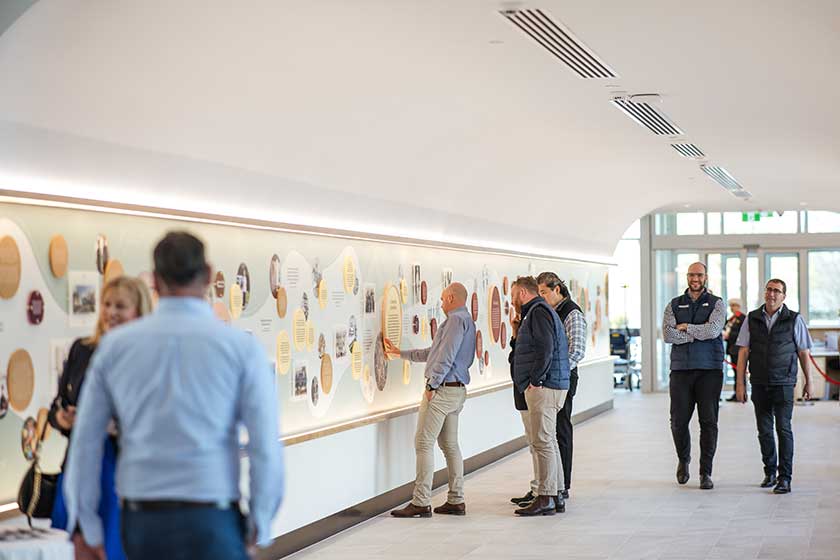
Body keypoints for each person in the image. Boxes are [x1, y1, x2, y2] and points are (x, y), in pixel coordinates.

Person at [63, 231, 284, 559]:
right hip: (213, 517)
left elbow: (86, 441)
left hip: (142, 521)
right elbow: (264, 445)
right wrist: (259, 522)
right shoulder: (241, 349)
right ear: (207, 275)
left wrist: (86, 524)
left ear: (155, 280)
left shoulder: (115, 347)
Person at [49, 276, 152, 560]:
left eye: (120, 306)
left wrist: (114, 427)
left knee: (114, 549)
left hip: (121, 472)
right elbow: (56, 407)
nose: (111, 312)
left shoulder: (147, 357)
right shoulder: (82, 349)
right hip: (78, 468)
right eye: (107, 304)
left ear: (139, 311)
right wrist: (63, 419)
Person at [386, 282, 476, 517]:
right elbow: (434, 352)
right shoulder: (465, 320)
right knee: (450, 445)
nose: (441, 303)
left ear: (452, 298)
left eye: (444, 298)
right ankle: (456, 499)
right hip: (456, 391)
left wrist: (432, 384)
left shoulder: (455, 320)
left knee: (423, 443)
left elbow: (445, 356)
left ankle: (421, 501)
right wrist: (400, 353)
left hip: (442, 390)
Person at [734, 278, 813, 494]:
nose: (771, 294)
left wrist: (809, 381)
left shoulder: (794, 319)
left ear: (783, 296)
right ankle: (769, 472)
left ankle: (784, 478)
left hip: (784, 383)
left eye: (776, 291)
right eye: (769, 289)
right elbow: (743, 351)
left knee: (783, 429)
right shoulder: (752, 318)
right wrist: (740, 384)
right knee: (764, 431)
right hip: (759, 382)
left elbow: (803, 352)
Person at [509, 276, 570, 516]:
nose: (511, 300)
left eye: (513, 295)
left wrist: (536, 380)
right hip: (549, 384)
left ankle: (546, 497)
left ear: (523, 293)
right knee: (549, 441)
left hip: (545, 387)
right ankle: (556, 493)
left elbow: (546, 348)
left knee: (542, 442)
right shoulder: (537, 312)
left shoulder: (538, 312)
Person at [662, 262, 725, 490]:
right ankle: (683, 459)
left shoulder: (717, 303)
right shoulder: (674, 304)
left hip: (710, 370)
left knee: (708, 422)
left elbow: (713, 331)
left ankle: (705, 472)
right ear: (687, 277)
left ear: (705, 277)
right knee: (678, 422)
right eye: (691, 275)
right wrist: (697, 333)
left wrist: (686, 327)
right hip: (681, 370)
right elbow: (668, 335)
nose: (695, 279)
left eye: (699, 275)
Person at [535, 272, 586, 501]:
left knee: (561, 429)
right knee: (547, 432)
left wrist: (558, 371)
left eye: (544, 292)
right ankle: (548, 483)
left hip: (564, 379)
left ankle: (562, 484)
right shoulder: (549, 311)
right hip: (550, 379)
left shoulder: (572, 313)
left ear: (557, 289)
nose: (542, 297)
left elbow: (577, 351)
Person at [724, 298, 746, 401]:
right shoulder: (731, 319)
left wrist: (729, 335)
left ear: (738, 306)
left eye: (734, 305)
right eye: (731, 306)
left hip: (739, 349)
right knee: (735, 372)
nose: (732, 308)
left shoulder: (742, 318)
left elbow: (743, 334)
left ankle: (741, 394)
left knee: (740, 372)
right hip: (732, 349)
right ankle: (736, 393)